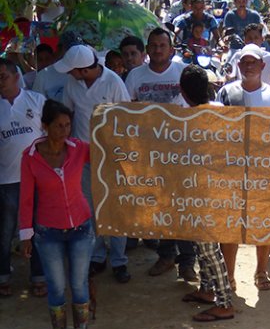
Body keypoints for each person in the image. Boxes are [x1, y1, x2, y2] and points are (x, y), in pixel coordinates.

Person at [19, 100, 96, 329]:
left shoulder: (78, 149)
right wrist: (26, 233)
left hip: (81, 227)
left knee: (79, 284)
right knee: (55, 286)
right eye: (58, 126)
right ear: (45, 126)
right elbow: (26, 197)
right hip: (47, 232)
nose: (64, 131)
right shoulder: (30, 157)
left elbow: (106, 152)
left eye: (68, 125)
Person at [53, 45, 131, 284]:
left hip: (112, 155)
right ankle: (97, 256)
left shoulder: (113, 82)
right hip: (83, 156)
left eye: (72, 70)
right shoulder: (71, 85)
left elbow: (126, 116)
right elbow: (68, 114)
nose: (69, 74)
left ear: (84, 70)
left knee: (116, 207)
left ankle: (119, 260)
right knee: (89, 206)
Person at [124, 29, 196, 281]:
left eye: (162, 45)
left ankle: (187, 261)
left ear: (171, 49)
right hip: (150, 153)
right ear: (147, 49)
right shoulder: (135, 76)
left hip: (182, 152)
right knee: (162, 205)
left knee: (184, 206)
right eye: (152, 46)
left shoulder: (183, 72)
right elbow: (127, 111)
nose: (157, 50)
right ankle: (166, 256)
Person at [215, 44, 270, 292]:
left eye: (252, 62)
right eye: (244, 62)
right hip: (232, 170)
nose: (248, 66)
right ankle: (230, 276)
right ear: (238, 65)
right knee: (230, 225)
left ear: (263, 66)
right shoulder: (225, 94)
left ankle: (261, 271)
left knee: (263, 222)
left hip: (264, 171)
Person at [178, 65, 235, 321]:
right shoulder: (223, 113)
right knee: (204, 246)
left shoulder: (187, 119)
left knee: (209, 248)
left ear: (182, 91)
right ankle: (207, 290)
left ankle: (224, 302)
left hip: (204, 193)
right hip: (221, 189)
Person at [0, 57, 46, 298]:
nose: (0, 83)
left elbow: (51, 134)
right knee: (5, 230)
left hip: (37, 178)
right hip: (6, 179)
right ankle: (3, 277)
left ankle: (38, 276)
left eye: (3, 77)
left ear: (16, 77)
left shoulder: (37, 101)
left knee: (37, 228)